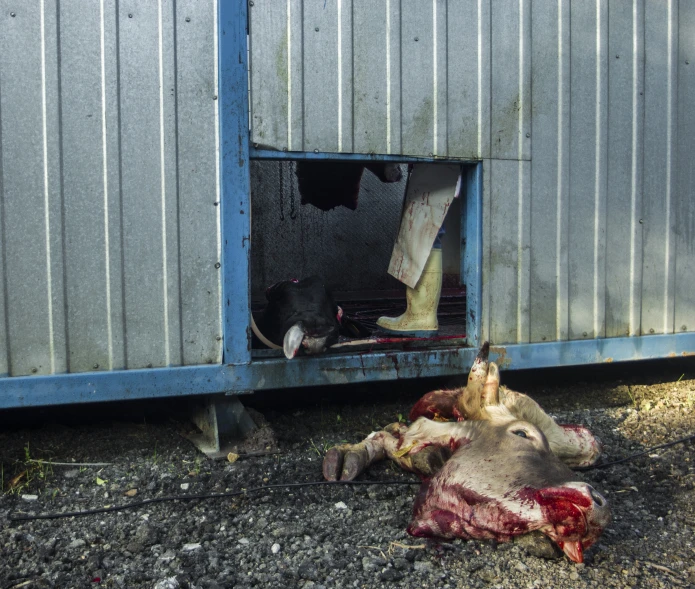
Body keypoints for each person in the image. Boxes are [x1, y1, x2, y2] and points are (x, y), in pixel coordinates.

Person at [376, 164, 461, 336]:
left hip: (439, 155)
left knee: (424, 225)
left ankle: (420, 316)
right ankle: (421, 314)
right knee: (427, 226)